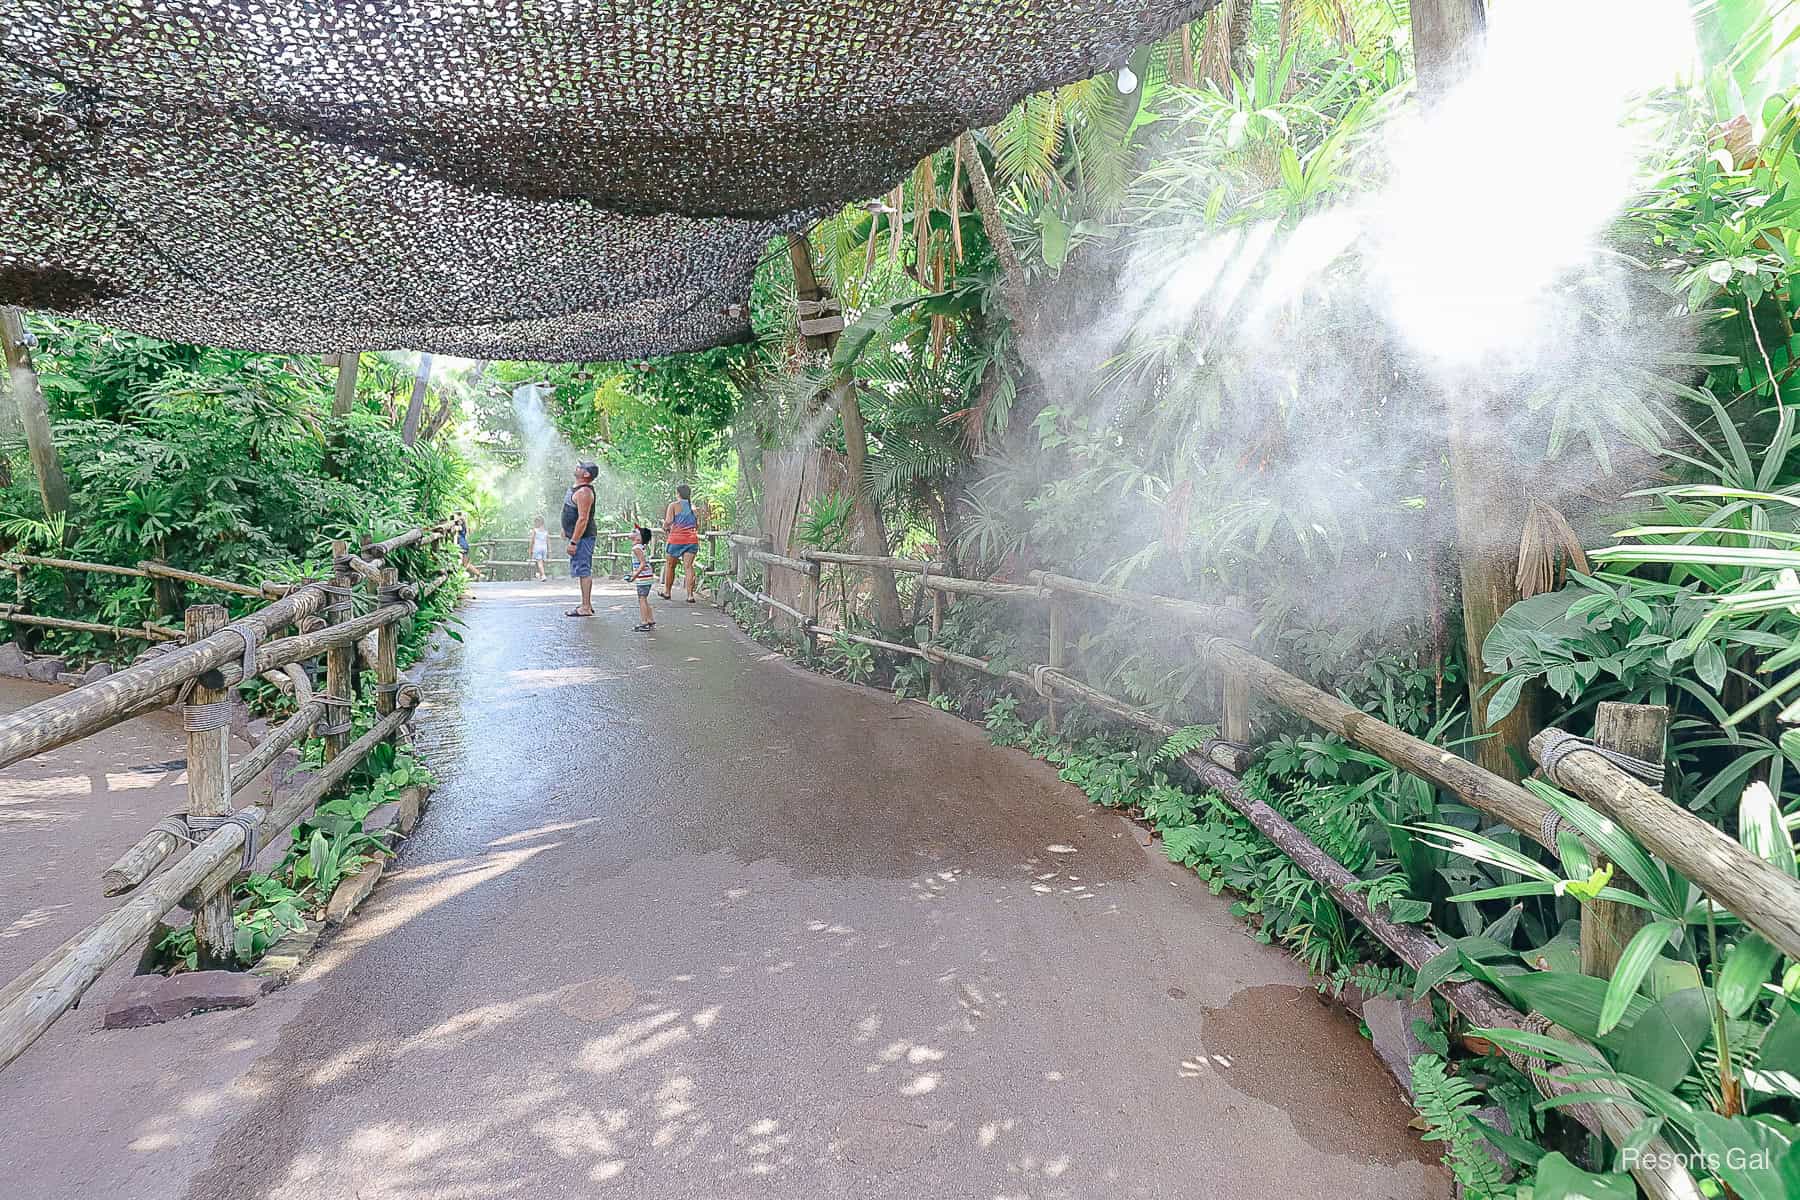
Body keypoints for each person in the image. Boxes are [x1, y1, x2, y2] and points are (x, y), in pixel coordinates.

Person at [562, 462, 599, 617]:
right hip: (577, 536)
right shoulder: (577, 489)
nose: (577, 467)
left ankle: (585, 606)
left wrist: (574, 542)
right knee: (581, 569)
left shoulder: (584, 492)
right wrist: (566, 529)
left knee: (583, 570)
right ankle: (586, 605)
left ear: (586, 474)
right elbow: (571, 511)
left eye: (581, 467)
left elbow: (583, 519)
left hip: (583, 538)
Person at [660, 483, 703, 602]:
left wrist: (664, 526)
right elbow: (696, 525)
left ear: (678, 494)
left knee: (670, 565)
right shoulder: (693, 507)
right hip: (691, 540)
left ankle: (667, 592)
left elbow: (668, 521)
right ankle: (690, 595)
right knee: (689, 567)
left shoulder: (673, 505)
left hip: (676, 540)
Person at [629, 526, 656, 632]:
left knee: (642, 599)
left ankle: (644, 623)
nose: (632, 531)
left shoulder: (636, 548)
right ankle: (650, 620)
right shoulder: (640, 547)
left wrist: (634, 576)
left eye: (635, 531)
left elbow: (643, 563)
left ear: (639, 538)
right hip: (647, 577)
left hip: (643, 578)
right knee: (644, 598)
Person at [454, 512, 483, 581]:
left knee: (464, 564)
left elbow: (457, 528)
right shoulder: (464, 526)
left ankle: (478, 574)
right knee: (465, 564)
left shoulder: (461, 526)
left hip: (462, 546)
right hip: (463, 545)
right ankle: (479, 574)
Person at [529, 515, 548, 582]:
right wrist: (550, 550)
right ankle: (540, 574)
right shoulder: (545, 531)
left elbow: (532, 540)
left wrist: (530, 549)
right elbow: (548, 541)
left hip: (537, 547)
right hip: (544, 548)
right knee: (542, 562)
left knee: (539, 562)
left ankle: (543, 575)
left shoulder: (535, 530)